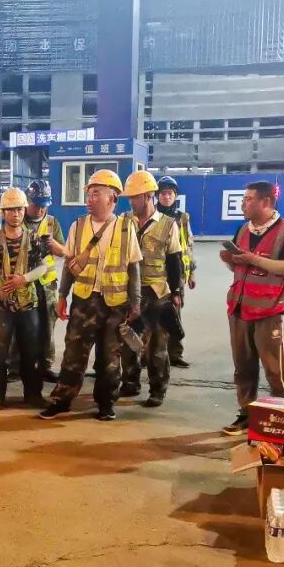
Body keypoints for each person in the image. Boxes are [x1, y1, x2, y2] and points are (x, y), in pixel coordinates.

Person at [40, 170, 142, 422]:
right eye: (89, 193)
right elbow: (70, 264)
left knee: (110, 359)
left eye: (96, 193)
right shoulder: (78, 226)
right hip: (84, 302)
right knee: (73, 355)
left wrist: (136, 302)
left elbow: (134, 267)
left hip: (115, 305)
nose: (90, 198)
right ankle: (61, 401)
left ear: (112, 197)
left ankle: (106, 403)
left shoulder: (126, 228)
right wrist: (62, 296)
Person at [220, 181, 284, 436]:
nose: (243, 204)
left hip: (270, 311)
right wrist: (231, 260)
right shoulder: (242, 229)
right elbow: (238, 268)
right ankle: (246, 414)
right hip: (239, 308)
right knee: (243, 367)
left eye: (248, 199)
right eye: (243, 199)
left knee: (275, 371)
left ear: (266, 201)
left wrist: (254, 259)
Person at [0, 187, 52, 411]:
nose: (15, 214)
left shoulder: (34, 239)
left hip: (28, 304)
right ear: (3, 212)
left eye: (19, 209)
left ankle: (33, 394)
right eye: (10, 210)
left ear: (24, 210)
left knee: (31, 352)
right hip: (1, 306)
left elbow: (44, 267)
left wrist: (24, 279)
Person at [118, 171, 185, 408]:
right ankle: (130, 382)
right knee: (128, 340)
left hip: (156, 293)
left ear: (147, 196)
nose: (131, 202)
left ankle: (158, 389)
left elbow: (174, 260)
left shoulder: (168, 225)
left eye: (134, 197)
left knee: (156, 345)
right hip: (129, 292)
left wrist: (175, 292)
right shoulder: (124, 221)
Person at [24, 180, 67, 382]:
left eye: (44, 205)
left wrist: (53, 244)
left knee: (48, 325)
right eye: (36, 204)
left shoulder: (51, 223)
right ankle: (19, 365)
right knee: (25, 326)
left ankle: (46, 365)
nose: (40, 209)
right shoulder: (18, 219)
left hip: (47, 284)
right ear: (28, 201)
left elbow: (63, 251)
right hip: (25, 283)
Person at [156, 175, 196, 368]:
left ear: (175, 196)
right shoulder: (152, 216)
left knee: (174, 314)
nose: (166, 197)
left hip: (177, 274)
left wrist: (191, 273)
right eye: (163, 193)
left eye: (169, 193)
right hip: (156, 274)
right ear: (157, 196)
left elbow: (188, 245)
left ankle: (175, 354)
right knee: (152, 316)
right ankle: (149, 354)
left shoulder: (182, 218)